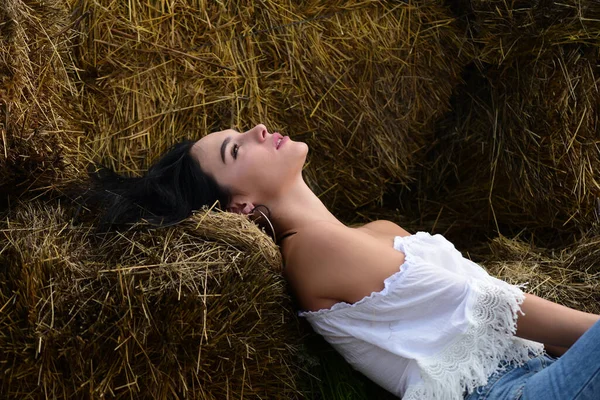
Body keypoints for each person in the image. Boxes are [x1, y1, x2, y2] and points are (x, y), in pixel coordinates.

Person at [82, 124, 600, 399]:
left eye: (239, 131)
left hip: (544, 368)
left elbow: (515, 323)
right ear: (242, 207)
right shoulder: (311, 251)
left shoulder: (377, 232)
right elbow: (492, 305)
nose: (258, 129)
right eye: (236, 151)